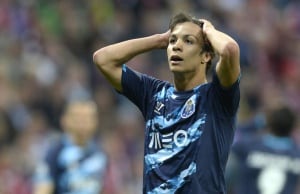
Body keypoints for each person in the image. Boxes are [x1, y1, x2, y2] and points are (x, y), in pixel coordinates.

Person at [93, 12, 241, 194]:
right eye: (173, 41)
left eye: (188, 41)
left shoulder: (217, 97)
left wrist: (209, 30)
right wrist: (158, 40)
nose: (176, 46)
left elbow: (229, 50)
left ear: (206, 56)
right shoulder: (153, 93)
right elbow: (103, 60)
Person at [33, 99, 108, 194]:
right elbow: (42, 189)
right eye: (78, 117)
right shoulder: (54, 154)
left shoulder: (99, 154)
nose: (83, 122)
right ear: (64, 120)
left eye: (88, 117)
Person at [226, 105, 300, 194]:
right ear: (292, 126)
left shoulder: (249, 146)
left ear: (269, 122)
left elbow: (229, 136)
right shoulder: (296, 155)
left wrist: (256, 123)